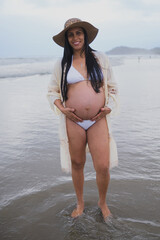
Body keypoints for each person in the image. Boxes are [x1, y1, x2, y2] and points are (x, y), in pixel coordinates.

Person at [47, 18, 119, 219]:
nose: (75, 37)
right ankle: (80, 204)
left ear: (85, 36)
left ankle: (102, 203)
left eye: (78, 33)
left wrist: (108, 109)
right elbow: (52, 92)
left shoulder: (100, 59)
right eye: (71, 34)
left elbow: (113, 88)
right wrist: (63, 109)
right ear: (67, 39)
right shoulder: (62, 64)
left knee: (102, 166)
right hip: (74, 120)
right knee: (77, 163)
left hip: (98, 119)